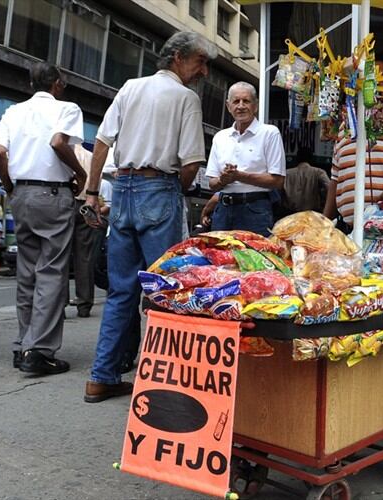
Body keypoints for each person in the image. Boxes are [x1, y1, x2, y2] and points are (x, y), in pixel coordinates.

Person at [81, 31, 216, 403]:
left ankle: (101, 376)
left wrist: (92, 193)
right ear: (177, 58)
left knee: (122, 291)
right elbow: (190, 165)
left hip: (122, 190)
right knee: (167, 289)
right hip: (159, 188)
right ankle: (165, 381)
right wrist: (177, 188)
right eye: (200, 61)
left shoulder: (130, 87)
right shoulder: (186, 98)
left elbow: (102, 141)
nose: (204, 70)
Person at [0, 62, 87, 375]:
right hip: (53, 194)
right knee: (52, 273)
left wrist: (8, 186)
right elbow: (58, 142)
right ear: (57, 84)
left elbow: (0, 152)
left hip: (22, 195)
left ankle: (22, 344)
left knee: (27, 273)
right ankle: (39, 351)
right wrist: (81, 173)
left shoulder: (13, 112)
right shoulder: (67, 108)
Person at [206, 81, 285, 236]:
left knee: (254, 258)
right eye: (236, 101)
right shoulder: (220, 137)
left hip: (255, 209)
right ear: (228, 106)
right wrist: (224, 180)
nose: (241, 106)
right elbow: (211, 184)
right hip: (223, 209)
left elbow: (278, 181)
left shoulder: (269, 133)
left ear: (255, 106)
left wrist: (239, 176)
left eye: (246, 101)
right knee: (221, 258)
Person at [69, 144, 100, 318]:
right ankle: (84, 304)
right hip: (87, 205)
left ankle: (60, 303)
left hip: (67, 202)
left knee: (61, 256)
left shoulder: (66, 154)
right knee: (84, 257)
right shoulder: (91, 157)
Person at [282, 145, 330, 214]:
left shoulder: (287, 173)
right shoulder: (319, 172)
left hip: (289, 214)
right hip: (312, 214)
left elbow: (278, 192)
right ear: (311, 158)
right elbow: (329, 188)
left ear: (297, 158)